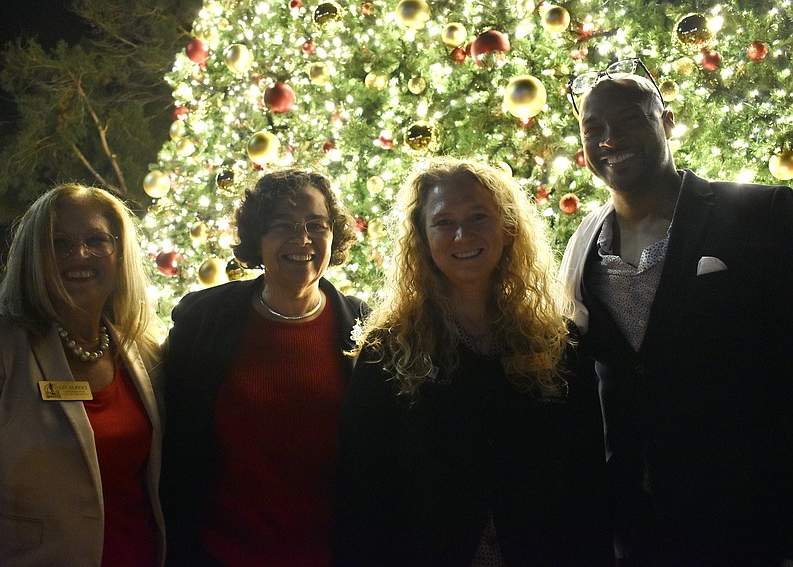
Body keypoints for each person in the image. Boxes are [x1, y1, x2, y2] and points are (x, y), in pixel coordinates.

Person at [559, 59, 793, 566]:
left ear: (666, 121)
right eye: (593, 127)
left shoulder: (766, 214)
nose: (609, 137)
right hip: (639, 528)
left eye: (628, 119)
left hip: (754, 519)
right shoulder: (581, 249)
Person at [335, 157, 609, 566]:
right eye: (443, 222)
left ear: (508, 228)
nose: (462, 235)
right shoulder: (389, 348)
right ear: (422, 238)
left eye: (479, 216)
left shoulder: (559, 342)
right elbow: (362, 494)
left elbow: (587, 482)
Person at [0, 183, 165, 565]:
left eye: (96, 239)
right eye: (59, 243)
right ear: (35, 258)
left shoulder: (141, 350)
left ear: (120, 253)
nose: (79, 254)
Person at [159, 169, 369, 566]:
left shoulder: (366, 327)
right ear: (258, 236)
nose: (302, 239)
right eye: (282, 226)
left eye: (316, 225)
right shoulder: (203, 320)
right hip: (219, 554)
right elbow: (174, 442)